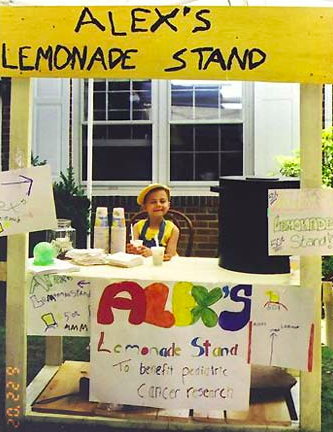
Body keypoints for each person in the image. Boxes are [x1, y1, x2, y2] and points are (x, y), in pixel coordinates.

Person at [127, 183, 179, 261]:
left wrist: (152, 254)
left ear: (168, 205)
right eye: (153, 202)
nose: (158, 204)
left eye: (162, 201)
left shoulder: (173, 230)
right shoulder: (137, 227)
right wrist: (132, 250)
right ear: (145, 207)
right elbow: (134, 254)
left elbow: (170, 258)